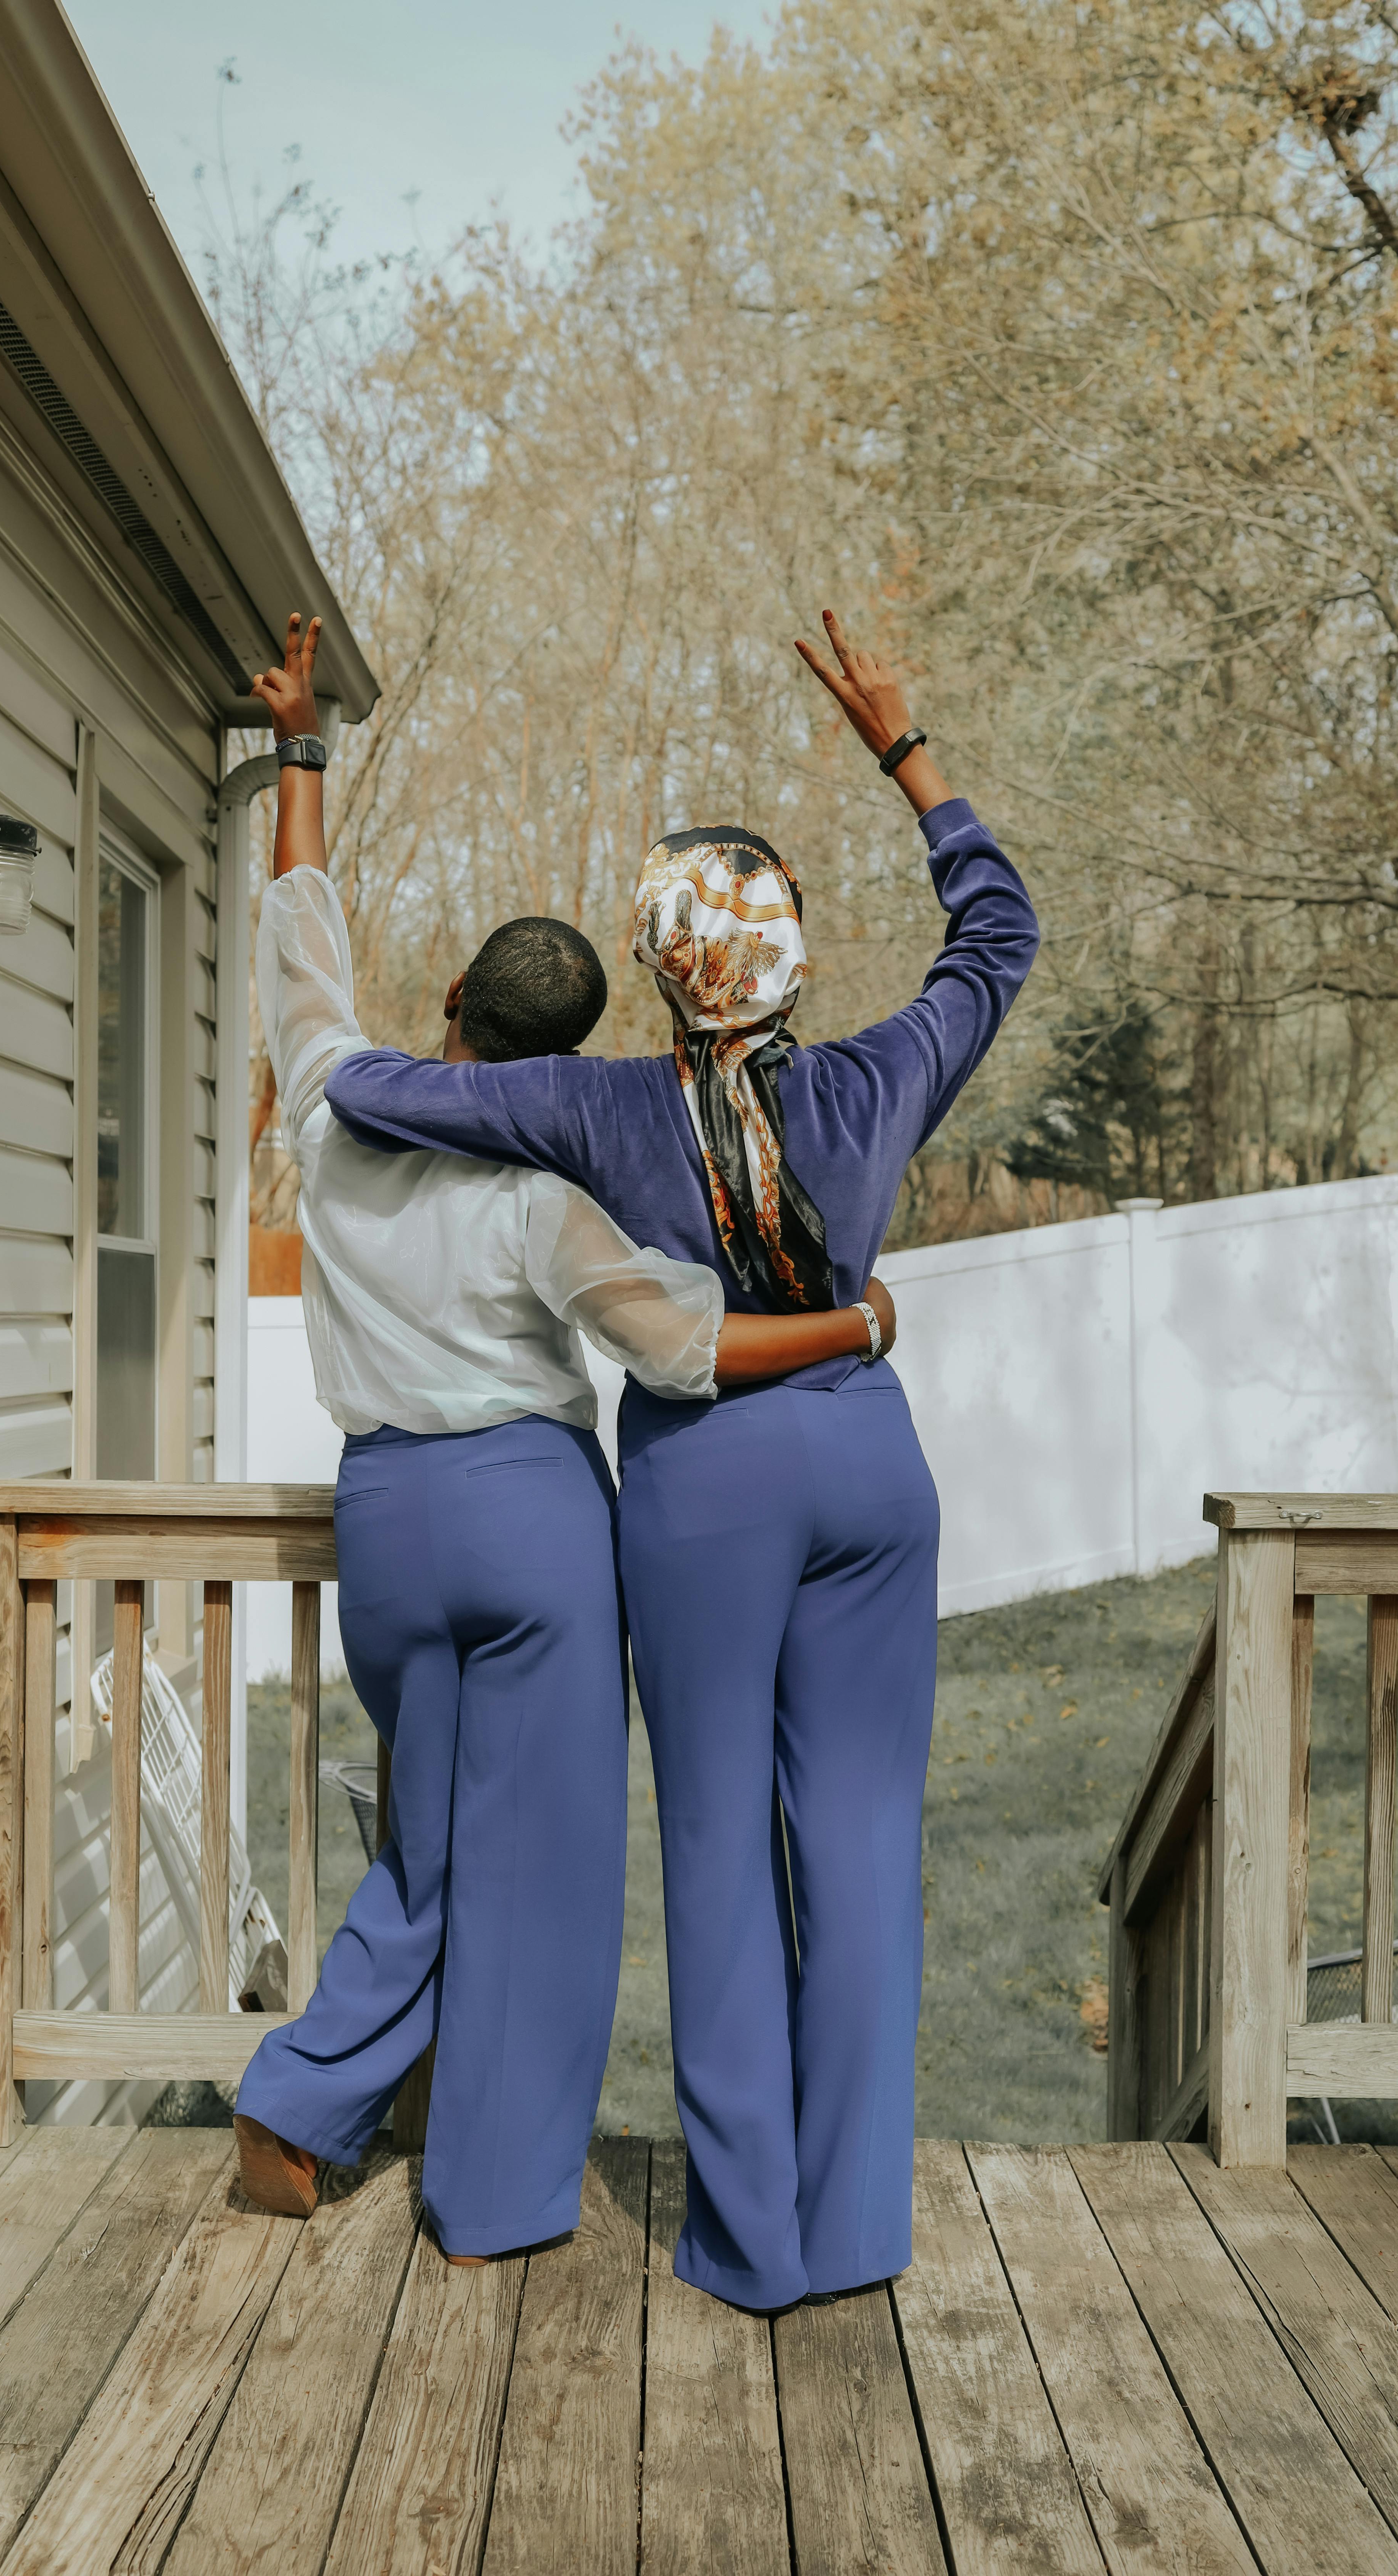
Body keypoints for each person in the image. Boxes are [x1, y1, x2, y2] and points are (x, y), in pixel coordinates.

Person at [325, 612, 1040, 2310]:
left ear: (660, 972)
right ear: (792, 961)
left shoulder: (597, 1113)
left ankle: (750, 2246)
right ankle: (856, 2229)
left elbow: (382, 1096)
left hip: (707, 1485)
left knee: (719, 1846)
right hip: (871, 1472)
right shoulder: (881, 1082)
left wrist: (347, 1068)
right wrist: (906, 749)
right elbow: (999, 935)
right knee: (861, 1842)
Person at [233, 611, 899, 2263]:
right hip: (533, 1527)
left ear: (452, 1003)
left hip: (385, 1519)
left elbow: (298, 949)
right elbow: (684, 1348)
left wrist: (305, 751)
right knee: (545, 1889)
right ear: (568, 1059)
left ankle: (300, 2097)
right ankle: (495, 2198)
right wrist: (860, 1324)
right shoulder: (552, 1196)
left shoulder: (332, 1117)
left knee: (435, 1842)